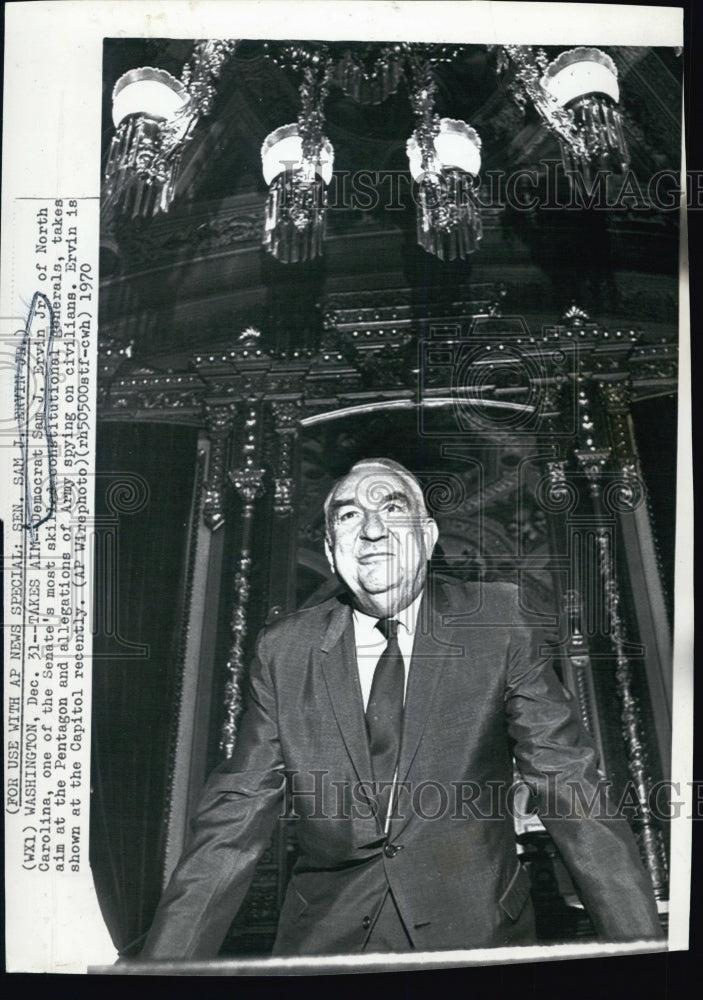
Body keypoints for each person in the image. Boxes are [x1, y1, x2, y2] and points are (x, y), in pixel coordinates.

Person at [141, 457, 664, 958]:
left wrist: (642, 952)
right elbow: (233, 818)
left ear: (428, 537)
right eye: (349, 516)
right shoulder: (286, 649)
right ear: (330, 549)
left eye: (391, 509)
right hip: (326, 946)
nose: (371, 531)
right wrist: (162, 971)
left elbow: (570, 787)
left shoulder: (498, 623)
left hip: (477, 937)